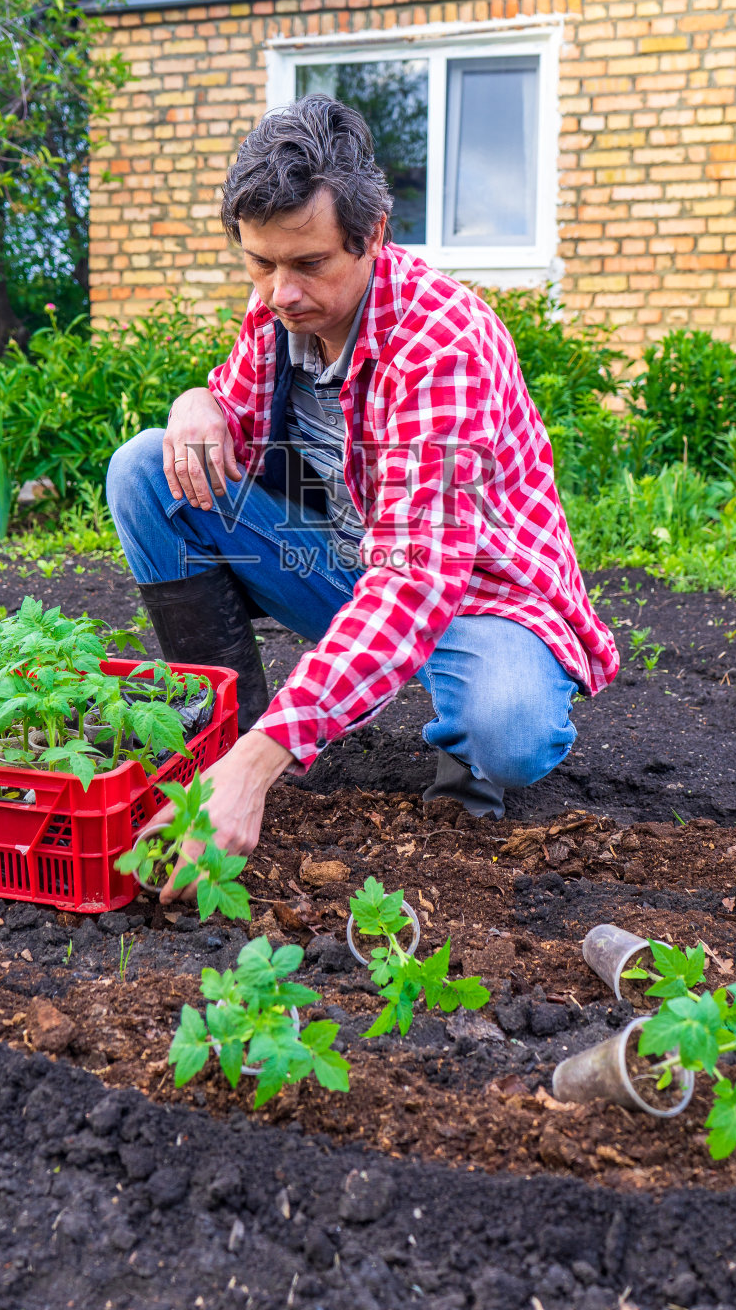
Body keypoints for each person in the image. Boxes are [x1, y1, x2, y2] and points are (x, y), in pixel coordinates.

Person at [106, 96, 618, 901]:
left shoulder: (441, 344)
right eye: (259, 264)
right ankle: (230, 746)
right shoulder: (282, 307)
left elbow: (414, 583)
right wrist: (194, 403)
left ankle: (366, 752)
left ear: (373, 235)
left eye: (307, 264)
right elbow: (233, 421)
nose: (279, 292)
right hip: (344, 562)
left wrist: (273, 755)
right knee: (146, 470)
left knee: (508, 735)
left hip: (474, 596)